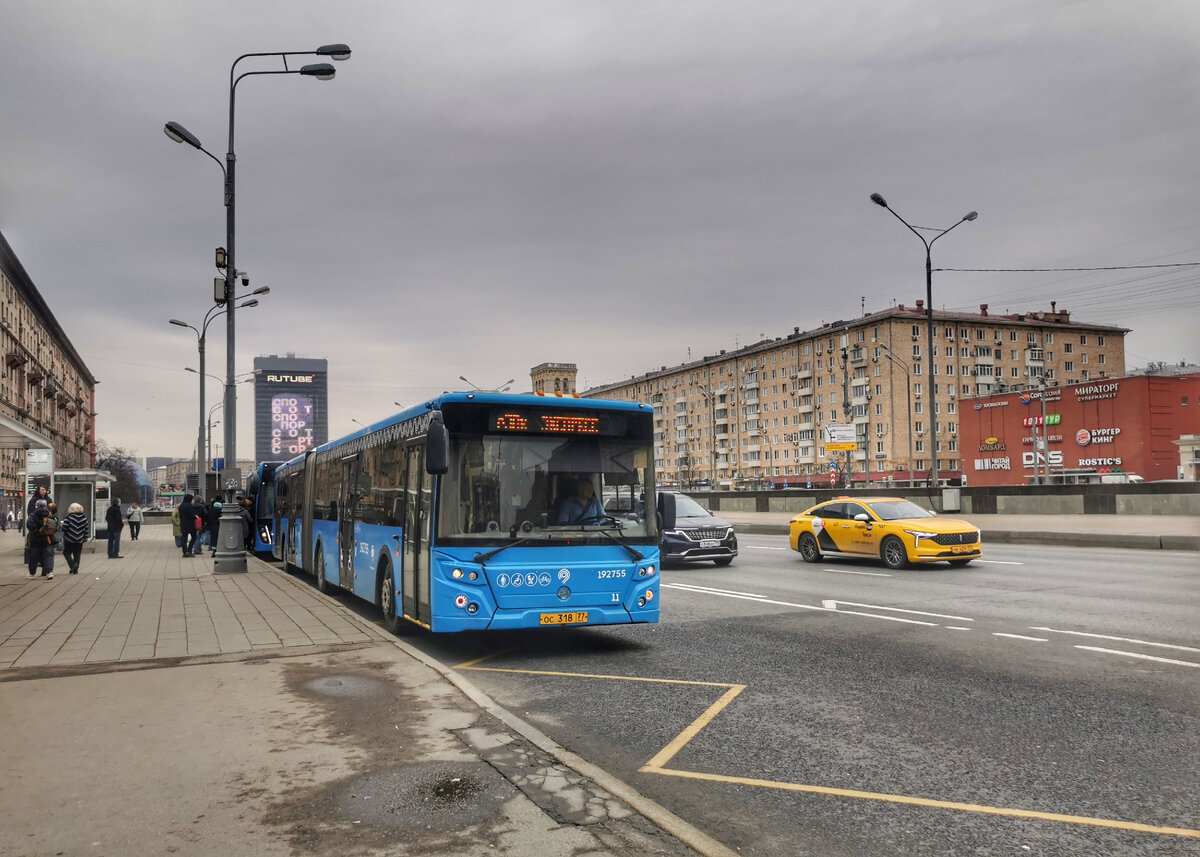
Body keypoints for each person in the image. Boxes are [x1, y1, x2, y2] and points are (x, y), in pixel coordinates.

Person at [25, 498, 56, 579]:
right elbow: (55, 524)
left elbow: (30, 526)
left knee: (34, 556)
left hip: (35, 539)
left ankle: (32, 573)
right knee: (48, 555)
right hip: (47, 538)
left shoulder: (33, 515)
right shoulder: (49, 514)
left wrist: (37, 529)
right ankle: (49, 572)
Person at [61, 502, 90, 574]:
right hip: (80, 539)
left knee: (66, 552)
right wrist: (85, 538)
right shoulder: (84, 518)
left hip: (69, 539)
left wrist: (61, 527)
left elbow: (64, 528)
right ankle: (75, 569)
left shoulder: (69, 518)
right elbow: (86, 529)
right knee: (77, 554)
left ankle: (73, 565)